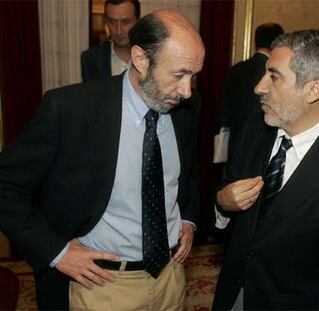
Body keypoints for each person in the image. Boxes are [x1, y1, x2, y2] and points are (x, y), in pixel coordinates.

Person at [0, 9, 204, 311]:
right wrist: (57, 252)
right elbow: (5, 188)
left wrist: (187, 218)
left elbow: (187, 171)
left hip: (171, 280)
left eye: (193, 76)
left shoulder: (186, 108)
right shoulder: (70, 109)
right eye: (178, 75)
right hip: (101, 287)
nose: (187, 91)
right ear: (140, 60)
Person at [212, 30, 319, 310]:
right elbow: (228, 191)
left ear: (313, 89)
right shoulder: (255, 129)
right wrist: (222, 202)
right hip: (231, 295)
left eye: (274, 76)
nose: (259, 87)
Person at [217, 23, 284, 163]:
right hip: (262, 146)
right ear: (277, 42)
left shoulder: (235, 69)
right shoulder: (276, 74)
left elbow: (224, 110)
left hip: (234, 144)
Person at [81, 0, 140, 81]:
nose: (118, 30)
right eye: (112, 22)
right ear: (106, 21)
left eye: (125, 22)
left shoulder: (152, 56)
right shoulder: (91, 59)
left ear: (137, 21)